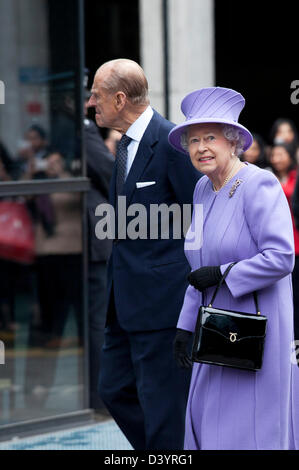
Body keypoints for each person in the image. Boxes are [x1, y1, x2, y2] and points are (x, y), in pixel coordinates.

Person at [168, 87, 299, 450]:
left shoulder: (259, 184)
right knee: (207, 419)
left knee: (250, 428)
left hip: (255, 330)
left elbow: (281, 256)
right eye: (193, 140)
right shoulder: (202, 189)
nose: (200, 148)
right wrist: (183, 326)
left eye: (210, 137)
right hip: (214, 331)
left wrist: (225, 273)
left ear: (233, 142)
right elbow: (198, 266)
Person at [87, 58, 200, 450]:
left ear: (120, 99)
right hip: (122, 303)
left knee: (163, 408)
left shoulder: (172, 143)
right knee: (113, 389)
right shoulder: (123, 145)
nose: (90, 103)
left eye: (97, 96)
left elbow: (199, 221)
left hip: (162, 306)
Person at [83, 88, 115, 411]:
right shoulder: (81, 127)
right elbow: (109, 173)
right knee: (98, 320)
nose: (94, 104)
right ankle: (99, 398)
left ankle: (96, 396)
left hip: (84, 240)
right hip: (93, 238)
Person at [269, 143, 299, 358]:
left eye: (281, 154)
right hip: (276, 239)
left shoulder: (296, 177)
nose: (277, 158)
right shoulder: (266, 177)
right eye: (274, 154)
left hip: (295, 239)